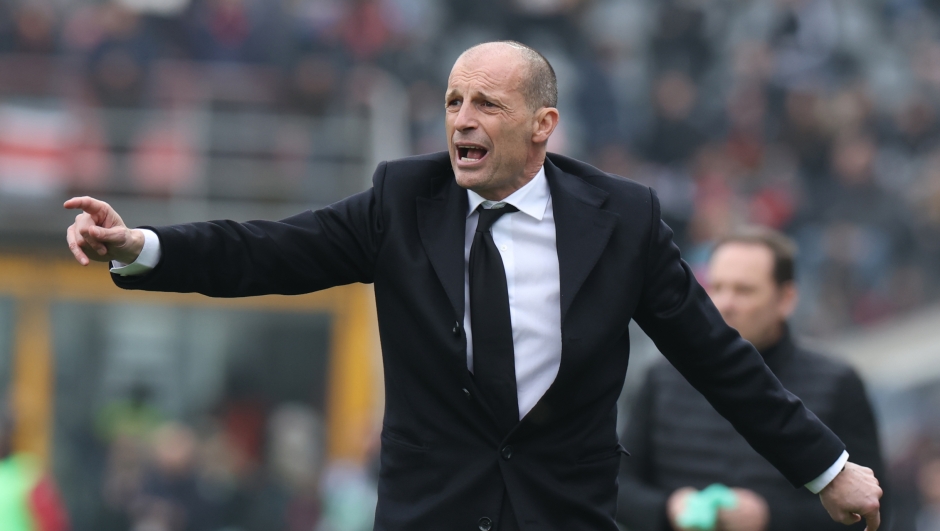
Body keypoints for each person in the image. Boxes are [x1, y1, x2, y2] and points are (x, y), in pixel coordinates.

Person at [63, 41, 882, 531]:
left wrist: (825, 469)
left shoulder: (620, 218)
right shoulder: (401, 199)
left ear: (542, 125)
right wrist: (140, 244)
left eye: (486, 103)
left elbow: (717, 354)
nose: (461, 119)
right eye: (453, 101)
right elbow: (267, 252)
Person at [617, 227, 888, 531]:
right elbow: (618, 485)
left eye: (743, 290)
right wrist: (667, 510)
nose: (725, 303)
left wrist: (770, 519)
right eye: (715, 287)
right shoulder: (661, 379)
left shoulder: (837, 382)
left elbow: (872, 508)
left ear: (786, 298)